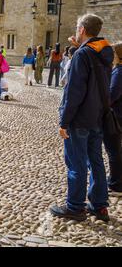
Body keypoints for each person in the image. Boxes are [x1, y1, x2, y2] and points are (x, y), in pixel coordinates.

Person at [52, 14, 114, 222]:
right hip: (97, 116)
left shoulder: (82, 55)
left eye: (78, 28)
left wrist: (64, 121)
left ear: (82, 30)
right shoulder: (105, 52)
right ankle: (99, 205)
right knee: (96, 162)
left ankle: (75, 206)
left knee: (76, 163)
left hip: (79, 118)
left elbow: (74, 92)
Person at [103, 42, 122, 193]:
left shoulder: (119, 72)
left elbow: (112, 95)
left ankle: (116, 183)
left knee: (113, 150)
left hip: (116, 116)